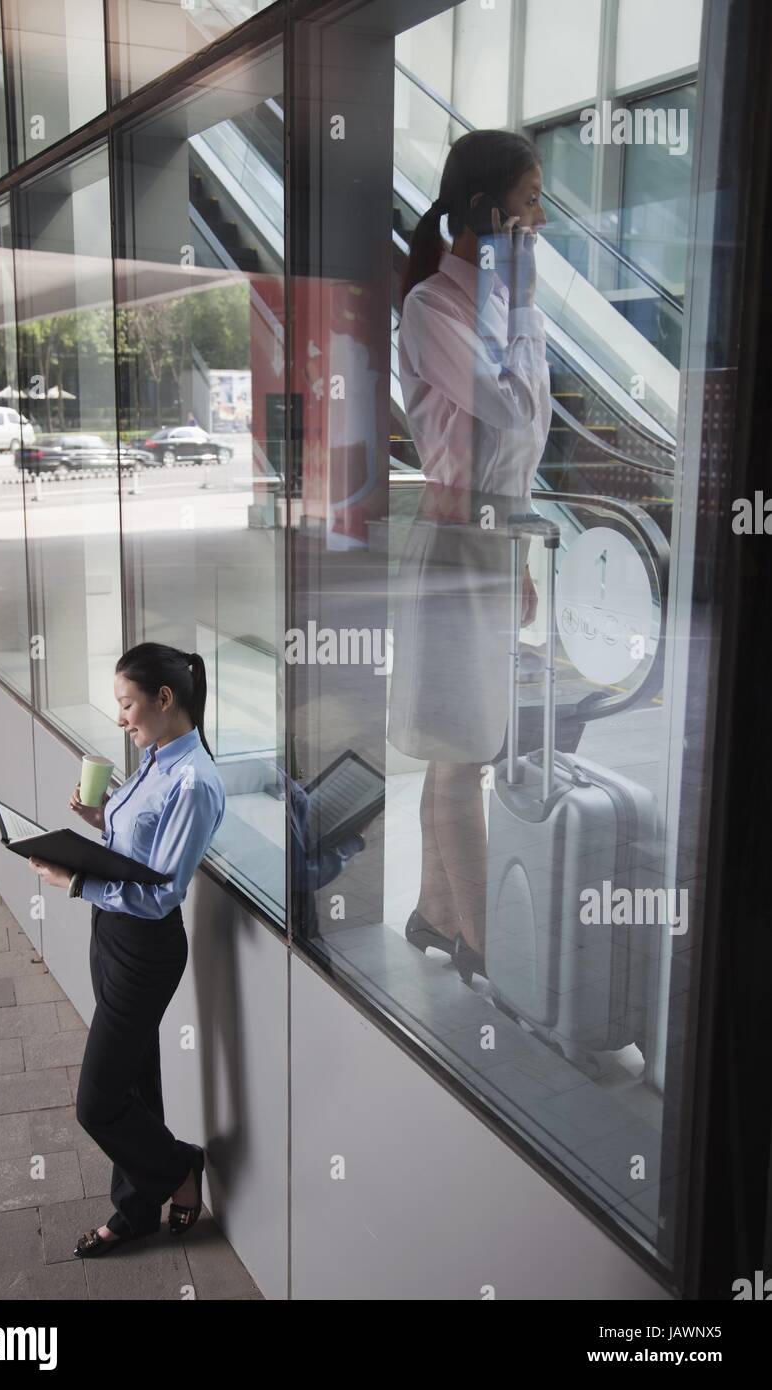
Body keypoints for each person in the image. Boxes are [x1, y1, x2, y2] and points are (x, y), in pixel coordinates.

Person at [386, 130, 550, 983]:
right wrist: (519, 299)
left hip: (484, 548)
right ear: (489, 212)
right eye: (530, 202)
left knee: (457, 749)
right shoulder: (435, 310)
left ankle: (432, 914)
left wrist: (517, 557)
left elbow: (515, 451)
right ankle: (484, 951)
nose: (543, 218)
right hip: (453, 550)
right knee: (464, 755)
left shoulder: (492, 304)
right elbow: (513, 414)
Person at [29, 643, 226, 1256]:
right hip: (111, 935)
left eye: (127, 703)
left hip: (145, 949)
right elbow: (138, 850)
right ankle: (136, 1211)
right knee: (135, 1080)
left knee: (98, 1103)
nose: (120, 718)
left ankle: (180, 1169)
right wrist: (98, 818)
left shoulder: (193, 782)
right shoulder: (157, 757)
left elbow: (161, 893)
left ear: (164, 699)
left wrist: (77, 880)